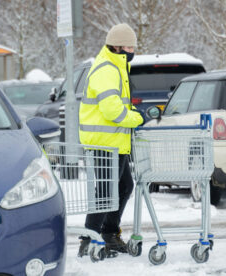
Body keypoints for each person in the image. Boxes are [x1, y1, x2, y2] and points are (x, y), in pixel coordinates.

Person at [78, 23, 146, 257]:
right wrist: (136, 119)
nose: (132, 50)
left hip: (115, 142)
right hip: (103, 142)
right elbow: (113, 111)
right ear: (116, 46)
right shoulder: (106, 69)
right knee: (106, 192)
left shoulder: (117, 67)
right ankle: (90, 239)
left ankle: (107, 233)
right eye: (129, 46)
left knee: (123, 186)